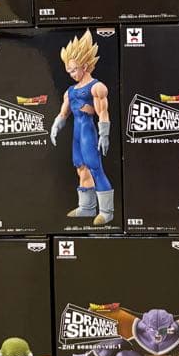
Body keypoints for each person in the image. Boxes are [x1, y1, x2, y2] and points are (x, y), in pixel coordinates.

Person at [50, 30, 114, 225]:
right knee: (81, 168)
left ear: (85, 66)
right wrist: (56, 126)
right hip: (77, 134)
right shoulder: (70, 91)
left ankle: (107, 212)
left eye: (74, 70)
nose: (71, 74)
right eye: (68, 71)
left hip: (88, 133)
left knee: (95, 168)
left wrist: (104, 135)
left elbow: (103, 112)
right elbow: (64, 113)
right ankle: (87, 207)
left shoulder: (97, 87)